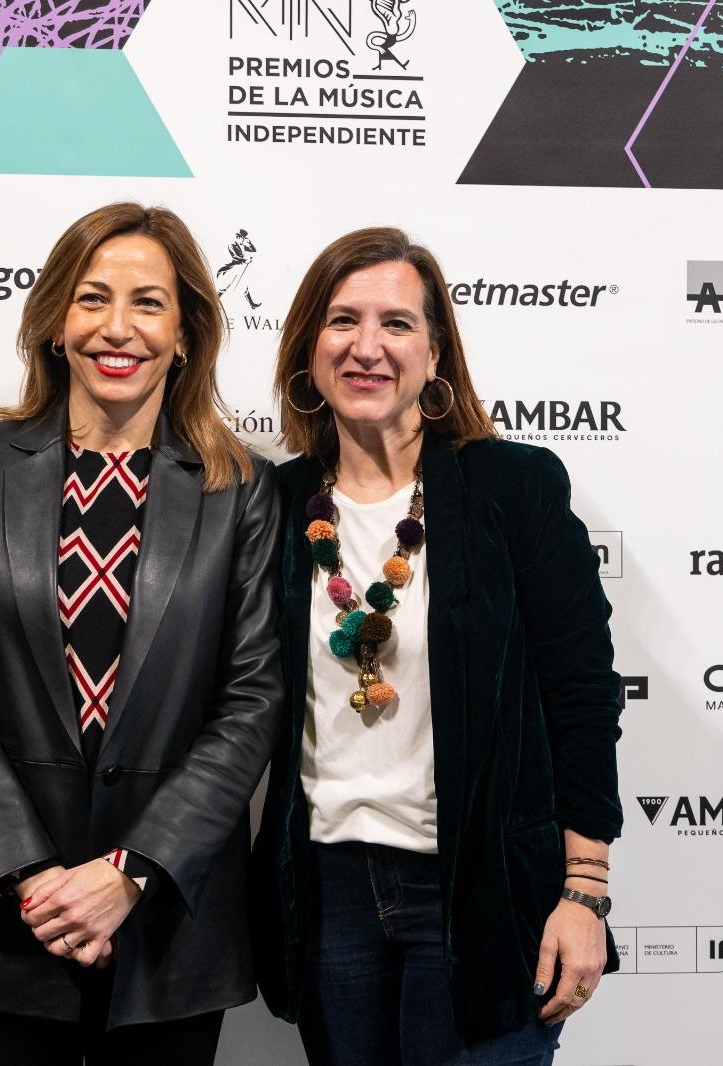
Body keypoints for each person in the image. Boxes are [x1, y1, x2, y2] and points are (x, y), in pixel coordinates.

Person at [0, 202, 283, 1065]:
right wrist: (33, 876)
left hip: (165, 925)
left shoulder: (240, 489)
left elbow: (252, 701)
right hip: (5, 921)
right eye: (92, 298)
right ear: (55, 322)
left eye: (148, 303)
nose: (118, 328)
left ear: (185, 334)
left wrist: (129, 871)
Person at [251, 227, 623, 1065]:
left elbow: (582, 695)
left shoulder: (512, 488)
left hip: (487, 893)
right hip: (329, 896)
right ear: (309, 348)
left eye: (396, 323)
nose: (367, 347)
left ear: (435, 351)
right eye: (343, 320)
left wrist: (585, 892)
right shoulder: (272, 505)